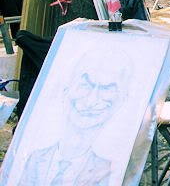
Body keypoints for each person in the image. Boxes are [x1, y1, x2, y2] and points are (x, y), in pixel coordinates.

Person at [18, 49, 129, 186]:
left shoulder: (109, 172)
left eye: (106, 89)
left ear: (120, 102)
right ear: (66, 90)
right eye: (85, 85)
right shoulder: (34, 160)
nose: (91, 101)